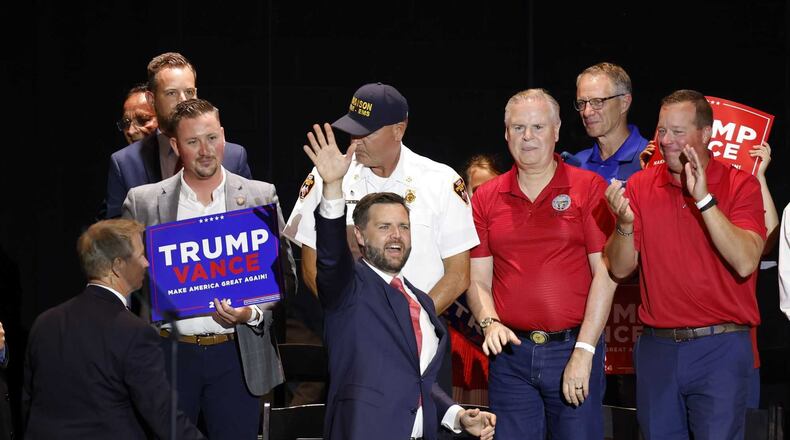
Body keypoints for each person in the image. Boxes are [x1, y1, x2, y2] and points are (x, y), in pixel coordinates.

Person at [284, 82, 479, 396]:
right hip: (354, 344)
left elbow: (459, 274)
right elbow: (311, 265)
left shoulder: (441, 181)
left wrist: (412, 317)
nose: (356, 141)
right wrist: (352, 317)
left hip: (422, 344)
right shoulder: (327, 176)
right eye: (352, 131)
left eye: (366, 133)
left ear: (399, 129)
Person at [304, 122, 495, 440]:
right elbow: (330, 257)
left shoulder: (419, 301)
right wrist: (334, 189)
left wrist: (457, 416)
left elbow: (417, 382)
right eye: (384, 227)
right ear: (360, 236)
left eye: (404, 227)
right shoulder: (347, 293)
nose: (396, 236)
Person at [123, 98, 295, 439]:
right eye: (192, 142)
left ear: (224, 137)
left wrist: (252, 313)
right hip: (168, 356)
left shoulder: (261, 197)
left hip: (237, 355)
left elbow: (285, 275)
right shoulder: (143, 202)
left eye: (212, 138)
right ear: (174, 145)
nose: (205, 151)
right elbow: (123, 283)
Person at [604, 89, 765, 439]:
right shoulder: (642, 185)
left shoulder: (741, 184)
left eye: (678, 132)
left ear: (706, 134)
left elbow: (745, 261)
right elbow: (619, 268)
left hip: (719, 349)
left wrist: (704, 199)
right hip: (657, 349)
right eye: (662, 131)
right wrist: (624, 225)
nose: (666, 141)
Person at [466, 89, 617, 439]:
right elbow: (477, 280)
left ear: (557, 130)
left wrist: (584, 351)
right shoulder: (487, 197)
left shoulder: (588, 188)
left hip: (571, 350)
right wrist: (489, 323)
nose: (528, 137)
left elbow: (605, 275)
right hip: (510, 356)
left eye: (537, 127)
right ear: (506, 134)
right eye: (518, 128)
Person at [21, 219, 203, 439]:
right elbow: (161, 413)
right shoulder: (135, 332)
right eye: (140, 255)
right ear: (118, 266)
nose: (147, 263)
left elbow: (30, 402)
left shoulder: (45, 323)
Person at [105, 52, 252, 219]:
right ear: (151, 99)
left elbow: (250, 224)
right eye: (172, 93)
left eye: (189, 92)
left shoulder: (234, 156)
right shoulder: (125, 164)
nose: (183, 100)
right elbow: (118, 236)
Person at [566, 62, 648, 184]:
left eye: (598, 101)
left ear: (624, 103)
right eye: (582, 103)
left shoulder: (650, 160)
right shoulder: (576, 164)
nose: (587, 112)